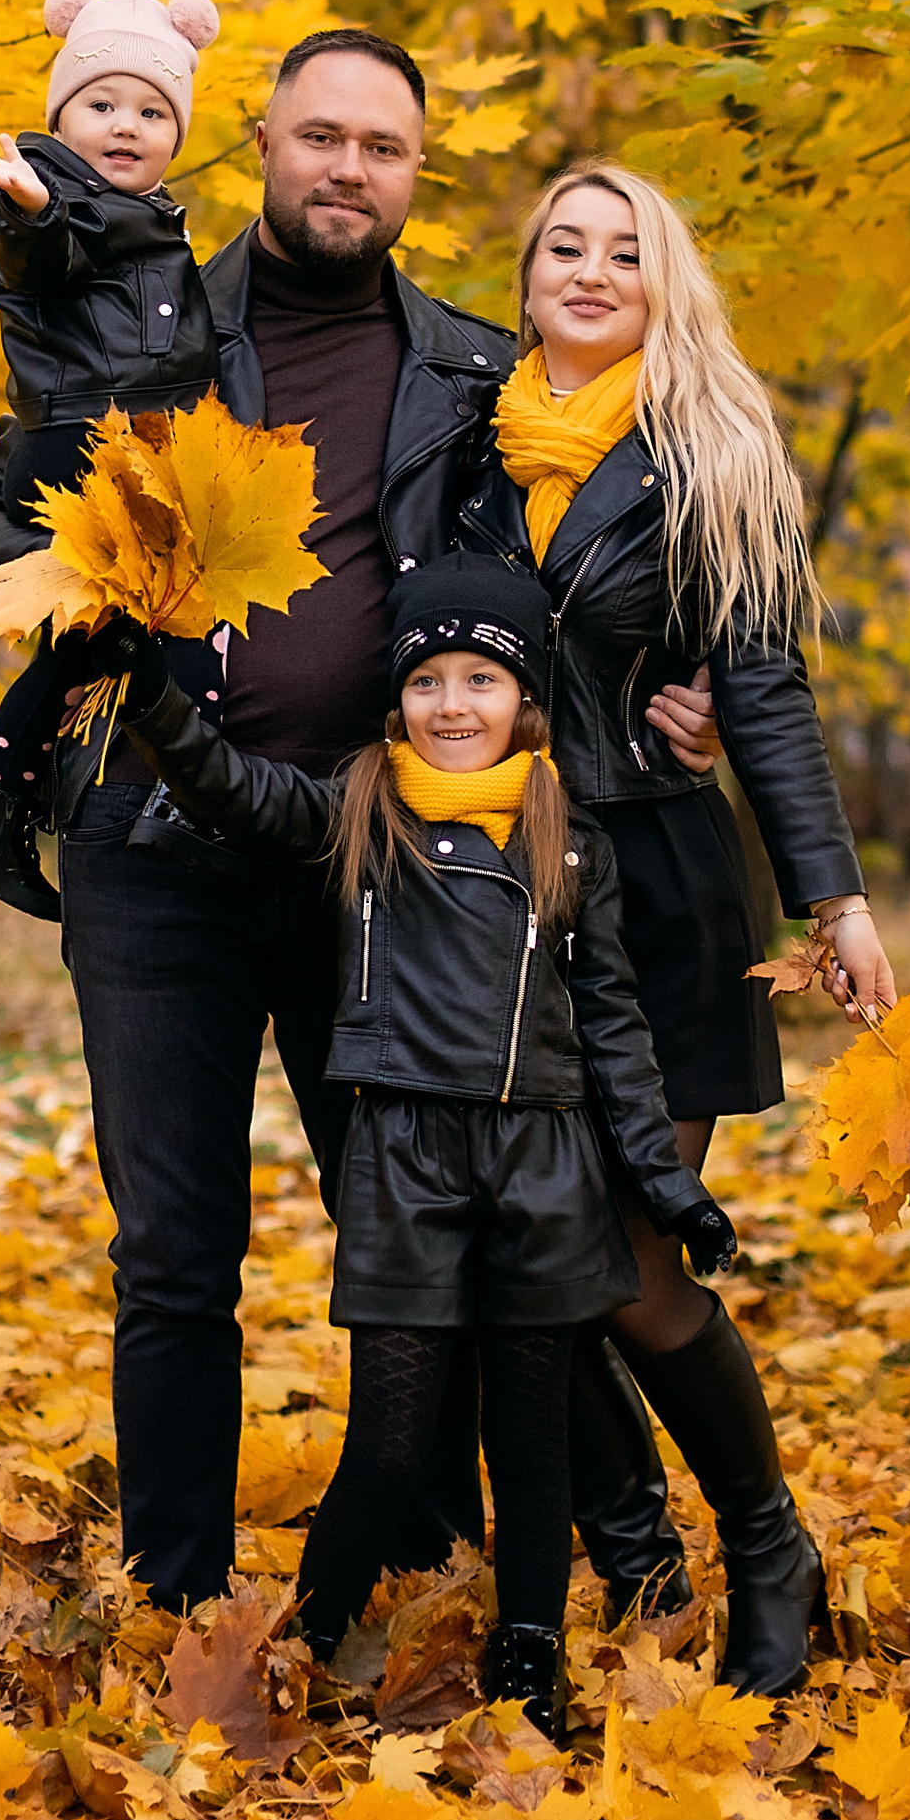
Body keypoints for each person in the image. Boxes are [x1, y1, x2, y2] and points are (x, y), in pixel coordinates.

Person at [0, 31, 707, 1608]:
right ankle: (181, 1593)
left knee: (448, 1244)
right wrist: (85, 577)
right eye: (320, 137)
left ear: (417, 177)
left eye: (384, 148)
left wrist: (671, 698)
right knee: (174, 1258)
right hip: (156, 850)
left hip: (387, 874)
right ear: (265, 147)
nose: (348, 168)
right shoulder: (140, 323)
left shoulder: (476, 375)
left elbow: (574, 585)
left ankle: (466, 1552)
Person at [102, 556, 736, 1742]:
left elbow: (614, 1032)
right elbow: (237, 790)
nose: (453, 703)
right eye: (428, 680)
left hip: (543, 1173)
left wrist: (666, 1183)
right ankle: (301, 1644)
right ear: (394, 703)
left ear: (524, 701)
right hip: (403, 1170)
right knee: (388, 1440)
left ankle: (530, 1661)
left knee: (529, 1443)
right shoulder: (359, 814)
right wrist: (148, 696)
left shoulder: (567, 841)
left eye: (481, 679)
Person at [457, 162, 898, 1697]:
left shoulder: (710, 454)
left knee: (634, 1268)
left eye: (624, 253)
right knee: (527, 1262)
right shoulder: (463, 442)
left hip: (658, 899)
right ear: (524, 278)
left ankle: (766, 1546)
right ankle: (636, 1556)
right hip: (490, 907)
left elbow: (762, 692)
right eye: (564, 247)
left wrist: (833, 899)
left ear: (665, 284)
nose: (590, 272)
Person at [0, 0, 224, 919]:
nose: (124, 125)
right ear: (62, 114)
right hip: (86, 441)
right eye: (100, 105)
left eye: (150, 110)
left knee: (106, 641)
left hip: (134, 442)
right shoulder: (63, 201)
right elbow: (29, 261)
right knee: (174, 622)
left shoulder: (147, 213)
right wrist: (29, 205)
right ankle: (176, 796)